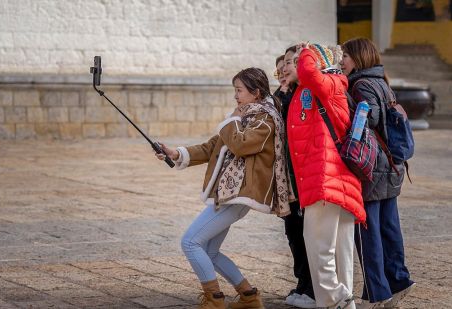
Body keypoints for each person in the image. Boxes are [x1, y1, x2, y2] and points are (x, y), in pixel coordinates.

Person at [155, 67, 293, 309]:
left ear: (256, 92)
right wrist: (176, 153)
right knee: (209, 250)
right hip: (230, 194)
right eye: (235, 90)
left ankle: (214, 300)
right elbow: (213, 148)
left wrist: (231, 118)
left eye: (239, 90)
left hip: (239, 196)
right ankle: (249, 296)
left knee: (190, 242)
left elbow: (240, 145)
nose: (236, 96)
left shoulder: (266, 119)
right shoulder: (246, 116)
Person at [282, 42, 366, 309]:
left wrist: (308, 51)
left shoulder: (329, 83)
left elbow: (308, 72)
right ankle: (343, 302)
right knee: (339, 251)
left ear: (317, 63)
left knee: (318, 246)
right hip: (330, 179)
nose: (292, 65)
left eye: (297, 60)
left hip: (325, 179)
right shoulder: (310, 89)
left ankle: (336, 298)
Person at [340, 37, 415, 309]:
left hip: (371, 168)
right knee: (389, 228)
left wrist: (350, 112)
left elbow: (367, 118)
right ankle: (399, 281)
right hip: (392, 165)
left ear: (357, 58)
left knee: (368, 234)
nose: (341, 62)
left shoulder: (360, 85)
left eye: (345, 56)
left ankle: (379, 293)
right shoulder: (382, 80)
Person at [274, 52, 315, 309]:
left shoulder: (302, 95)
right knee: (293, 235)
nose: (281, 71)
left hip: (302, 179)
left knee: (306, 235)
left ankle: (312, 288)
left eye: (287, 65)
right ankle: (302, 284)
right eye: (278, 68)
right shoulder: (282, 96)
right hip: (287, 182)